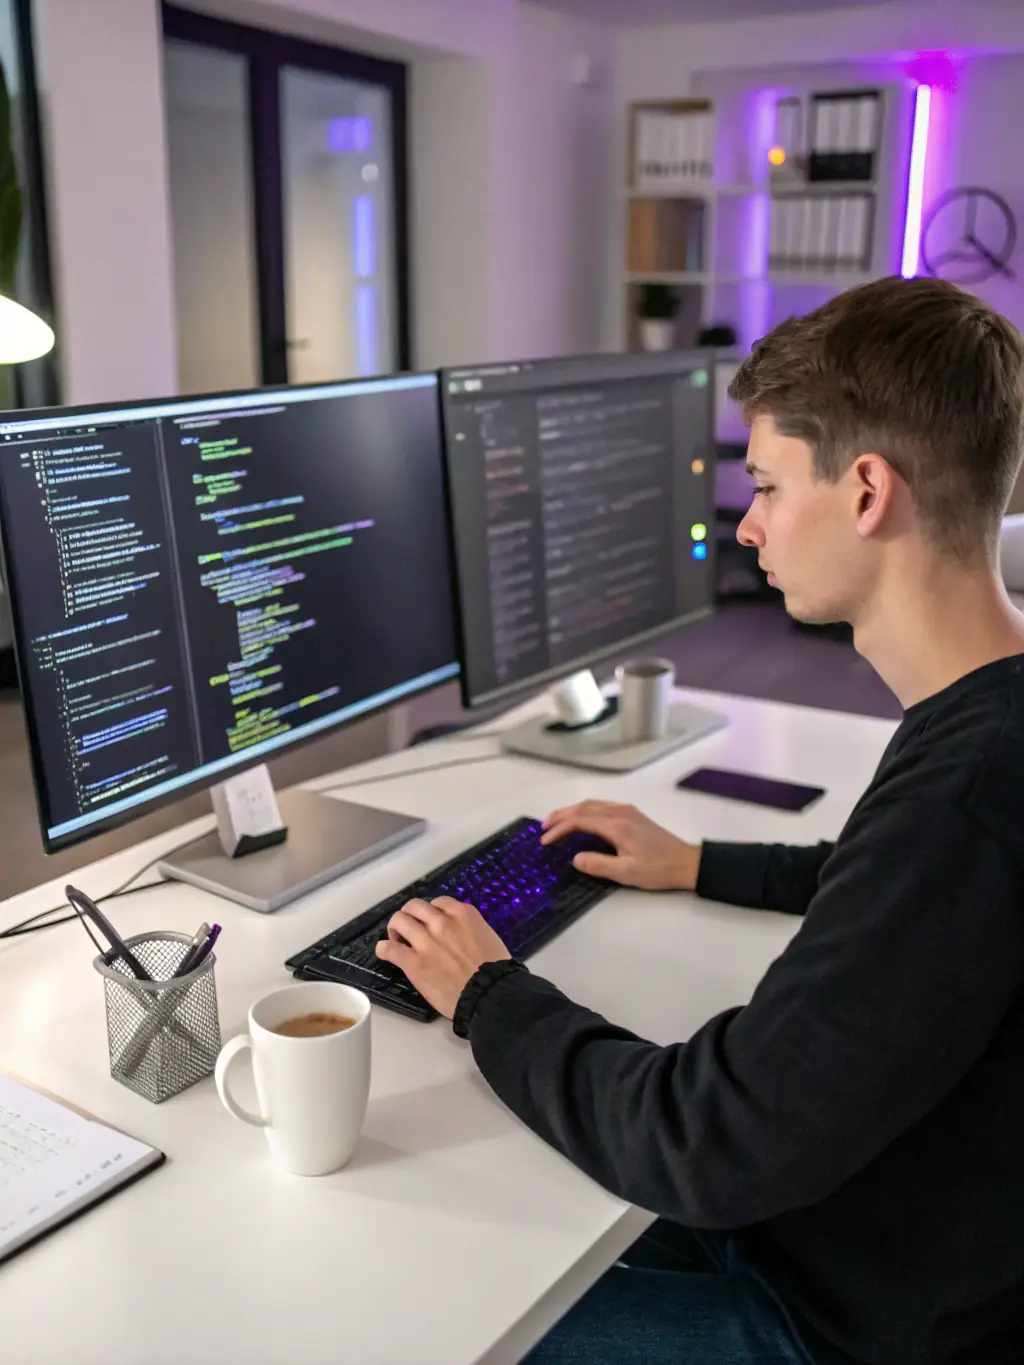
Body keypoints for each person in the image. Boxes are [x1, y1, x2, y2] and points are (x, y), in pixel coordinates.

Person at [376, 276, 1024, 1365]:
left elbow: (707, 1144)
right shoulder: (984, 724)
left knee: (410, 1309)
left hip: (834, 1323)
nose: (749, 522)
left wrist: (489, 994)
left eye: (765, 485)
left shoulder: (966, 793)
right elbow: (903, 896)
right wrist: (700, 861)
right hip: (865, 1231)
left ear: (867, 492)